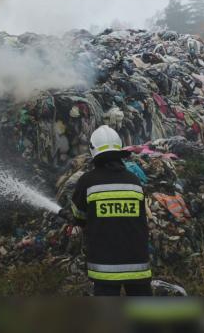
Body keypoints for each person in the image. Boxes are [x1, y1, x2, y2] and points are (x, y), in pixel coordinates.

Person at [71, 125, 152, 296]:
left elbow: (78, 216)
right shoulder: (134, 181)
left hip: (105, 267)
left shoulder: (87, 181)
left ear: (93, 150)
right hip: (138, 264)